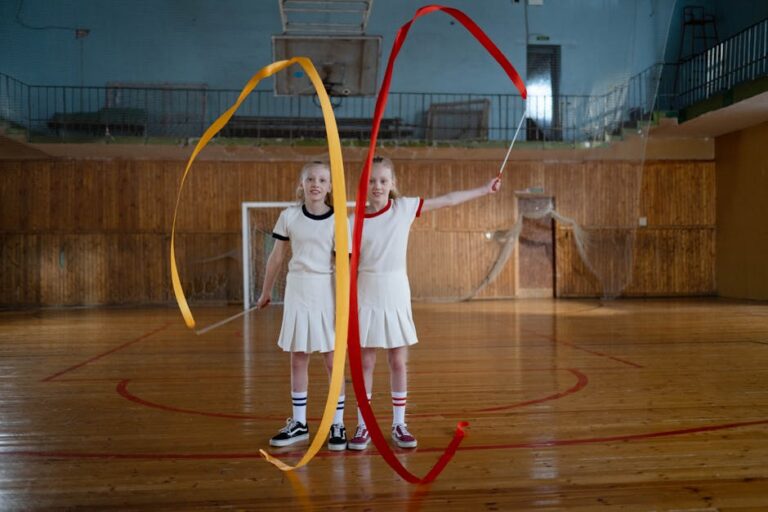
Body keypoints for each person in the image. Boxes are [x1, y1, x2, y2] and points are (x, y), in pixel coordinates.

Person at [347, 156, 500, 450]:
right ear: (363, 185)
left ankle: (399, 424)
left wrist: (483, 189)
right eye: (371, 180)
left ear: (393, 184)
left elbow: (448, 200)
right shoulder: (354, 221)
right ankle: (363, 425)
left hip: (395, 292)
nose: (377, 186)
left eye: (383, 180)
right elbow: (344, 262)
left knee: (398, 361)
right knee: (365, 362)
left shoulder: (403, 208)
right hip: (365, 293)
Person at [257, 161, 346, 451]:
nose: (316, 184)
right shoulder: (289, 216)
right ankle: (299, 424)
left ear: (330, 187)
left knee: (333, 360)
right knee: (298, 357)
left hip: (326, 292)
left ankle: (338, 424)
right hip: (297, 290)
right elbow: (276, 257)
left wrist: (347, 300)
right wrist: (266, 291)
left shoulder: (338, 220)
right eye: (310, 179)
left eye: (322, 179)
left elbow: (343, 264)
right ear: (302, 184)